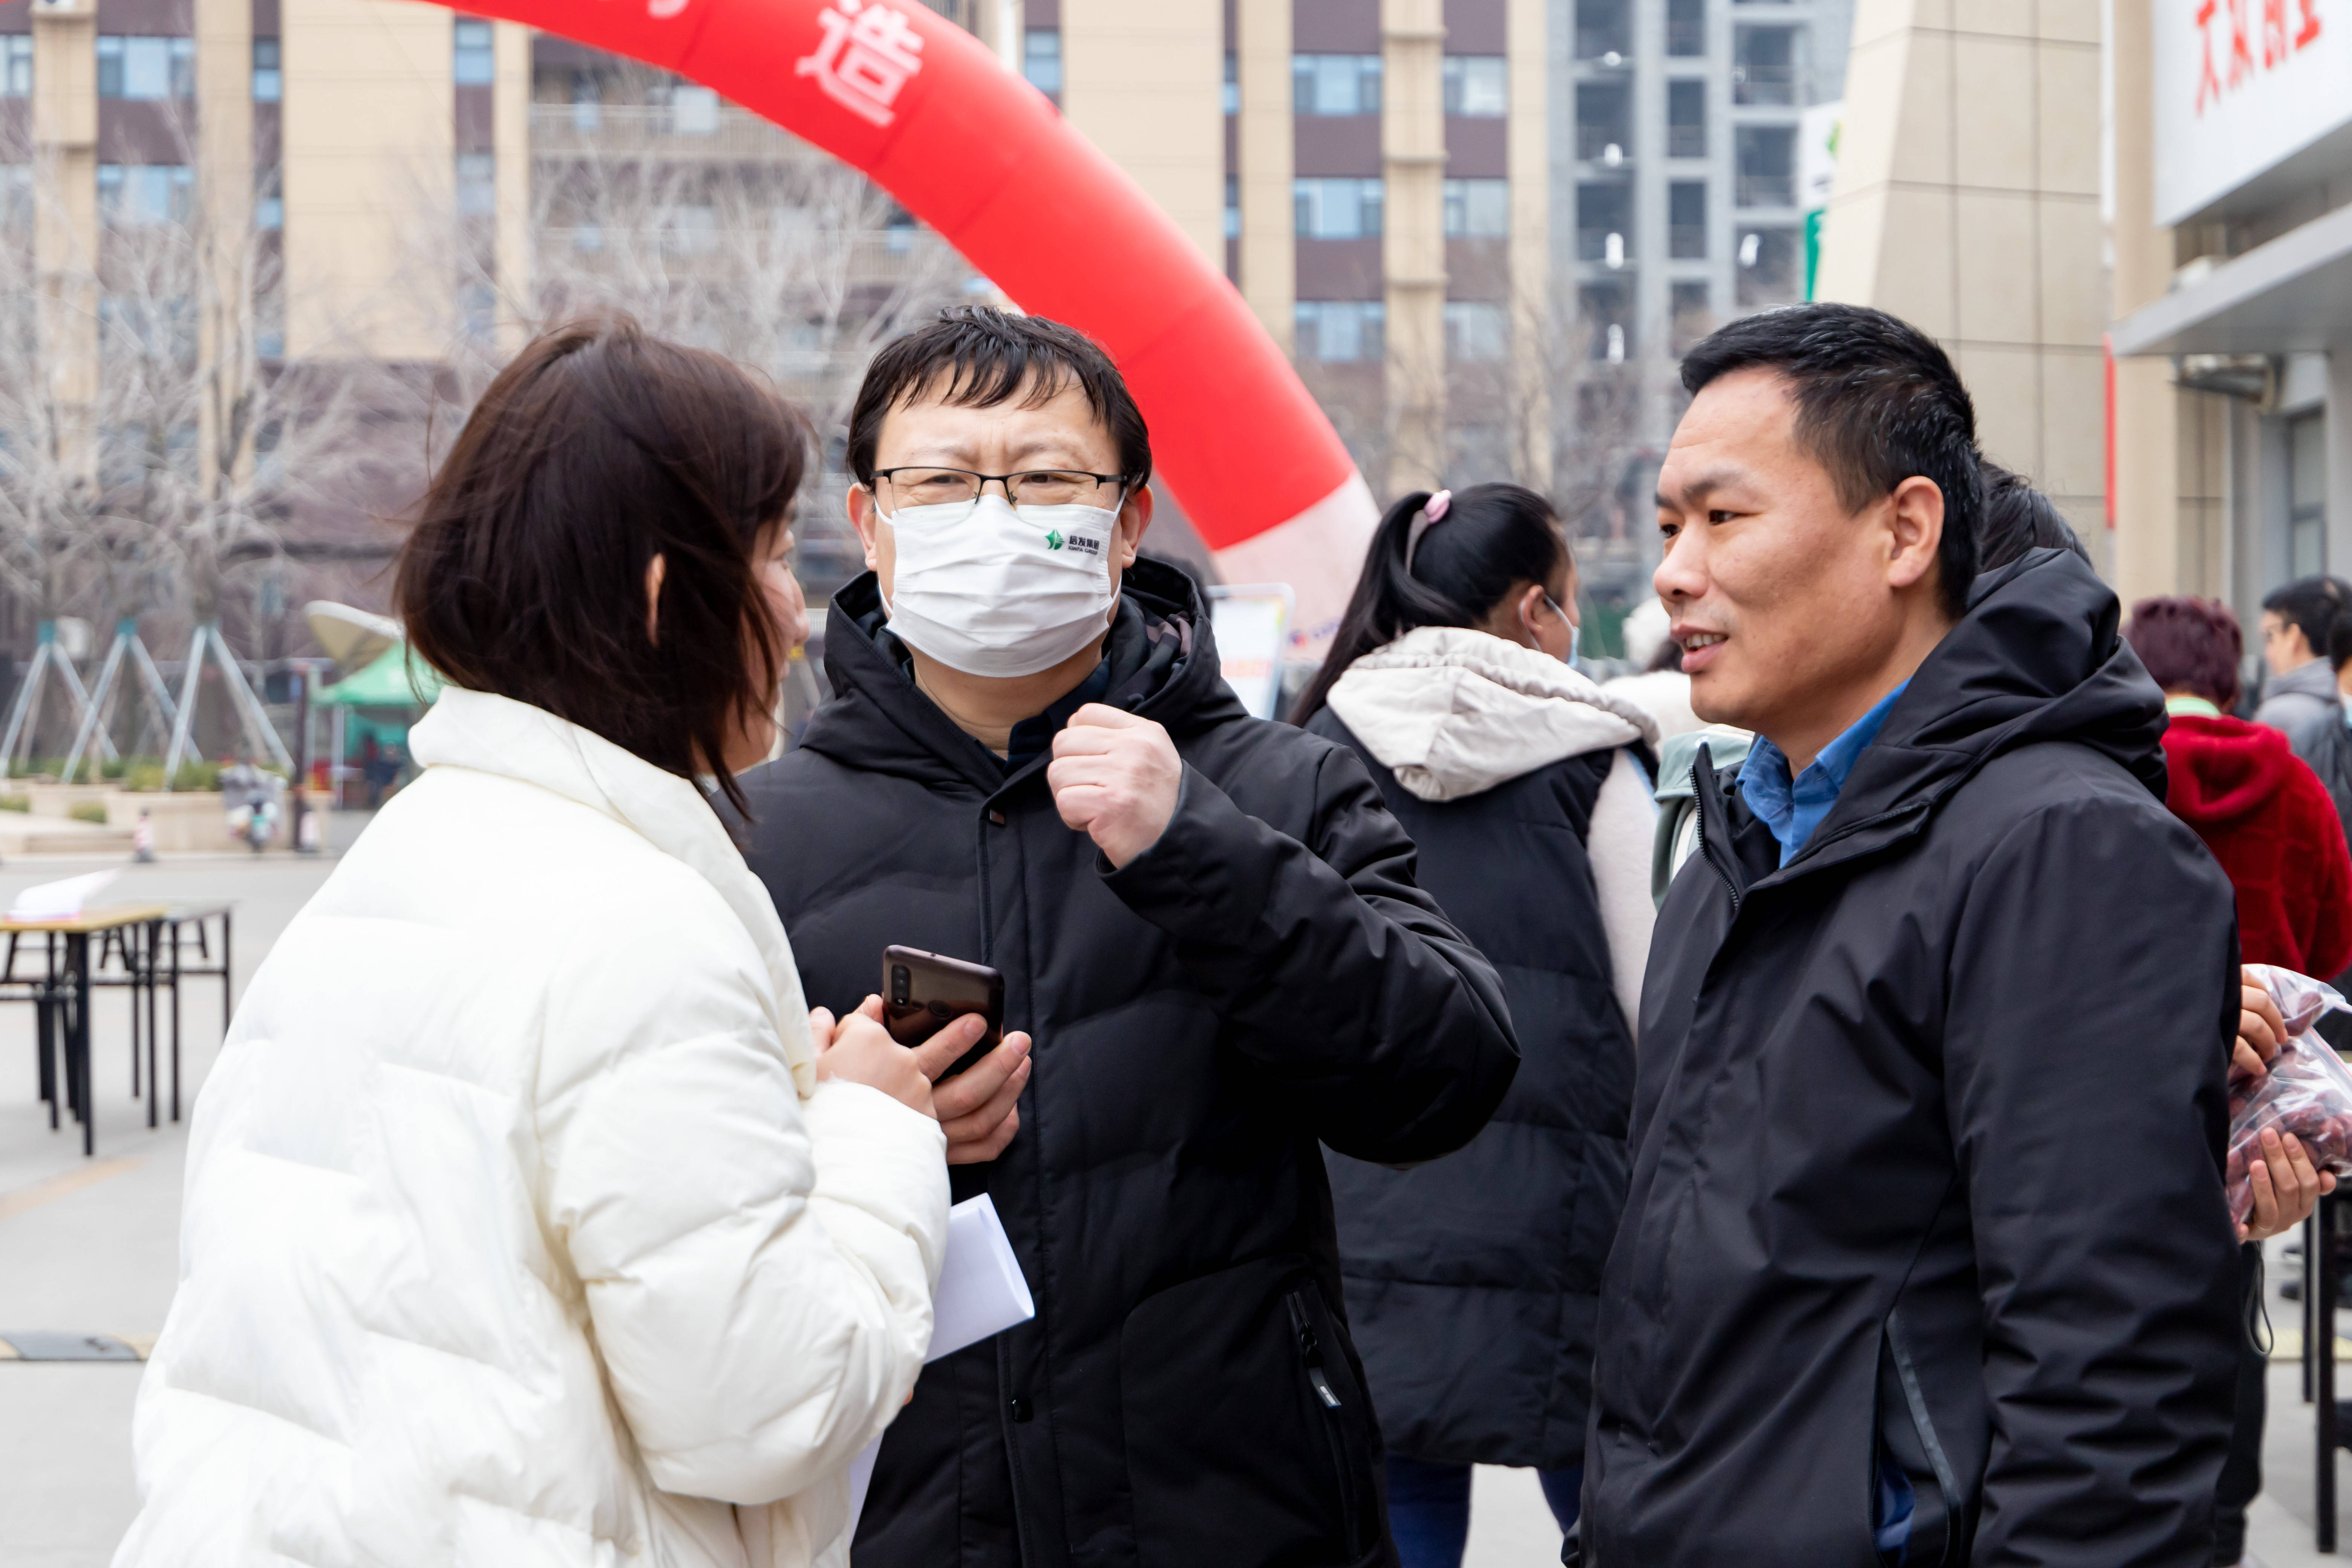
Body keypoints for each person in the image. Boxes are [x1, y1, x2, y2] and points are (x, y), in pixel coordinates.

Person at [114, 319, 972, 1568]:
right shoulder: (641, 929)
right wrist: (872, 1132)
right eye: (780, 557)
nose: (799, 615)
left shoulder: (387, 873)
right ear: (668, 595)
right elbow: (762, 1411)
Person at [732, 306, 1519, 1568]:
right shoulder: (755, 837)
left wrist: (1197, 851)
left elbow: (1445, 1076)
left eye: (1044, 477)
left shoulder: (1277, 788)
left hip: (1237, 1510)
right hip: (896, 1520)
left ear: (1128, 521)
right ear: (867, 525)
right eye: (939, 481)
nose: (990, 516)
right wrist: (847, 1126)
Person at [1584, 303, 2242, 1566]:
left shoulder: (2061, 849)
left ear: (1905, 530)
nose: (1674, 572)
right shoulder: (1742, 848)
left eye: (1724, 519)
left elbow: (2113, 1393)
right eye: (1669, 527)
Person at [1291, 482, 1659, 1566]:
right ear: (1532, 611)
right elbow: (1656, 999)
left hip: (1362, 1198)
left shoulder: (1311, 746)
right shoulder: (1595, 760)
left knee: (1400, 1485)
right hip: (1572, 1215)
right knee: (1610, 1497)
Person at [2124, 593, 2349, 1568]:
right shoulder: (2295, 785)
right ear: (2227, 676)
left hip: (2117, 1123)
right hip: (2256, 1130)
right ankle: (2223, 1526)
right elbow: (2336, 947)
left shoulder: (2103, 776)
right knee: (2235, 1309)